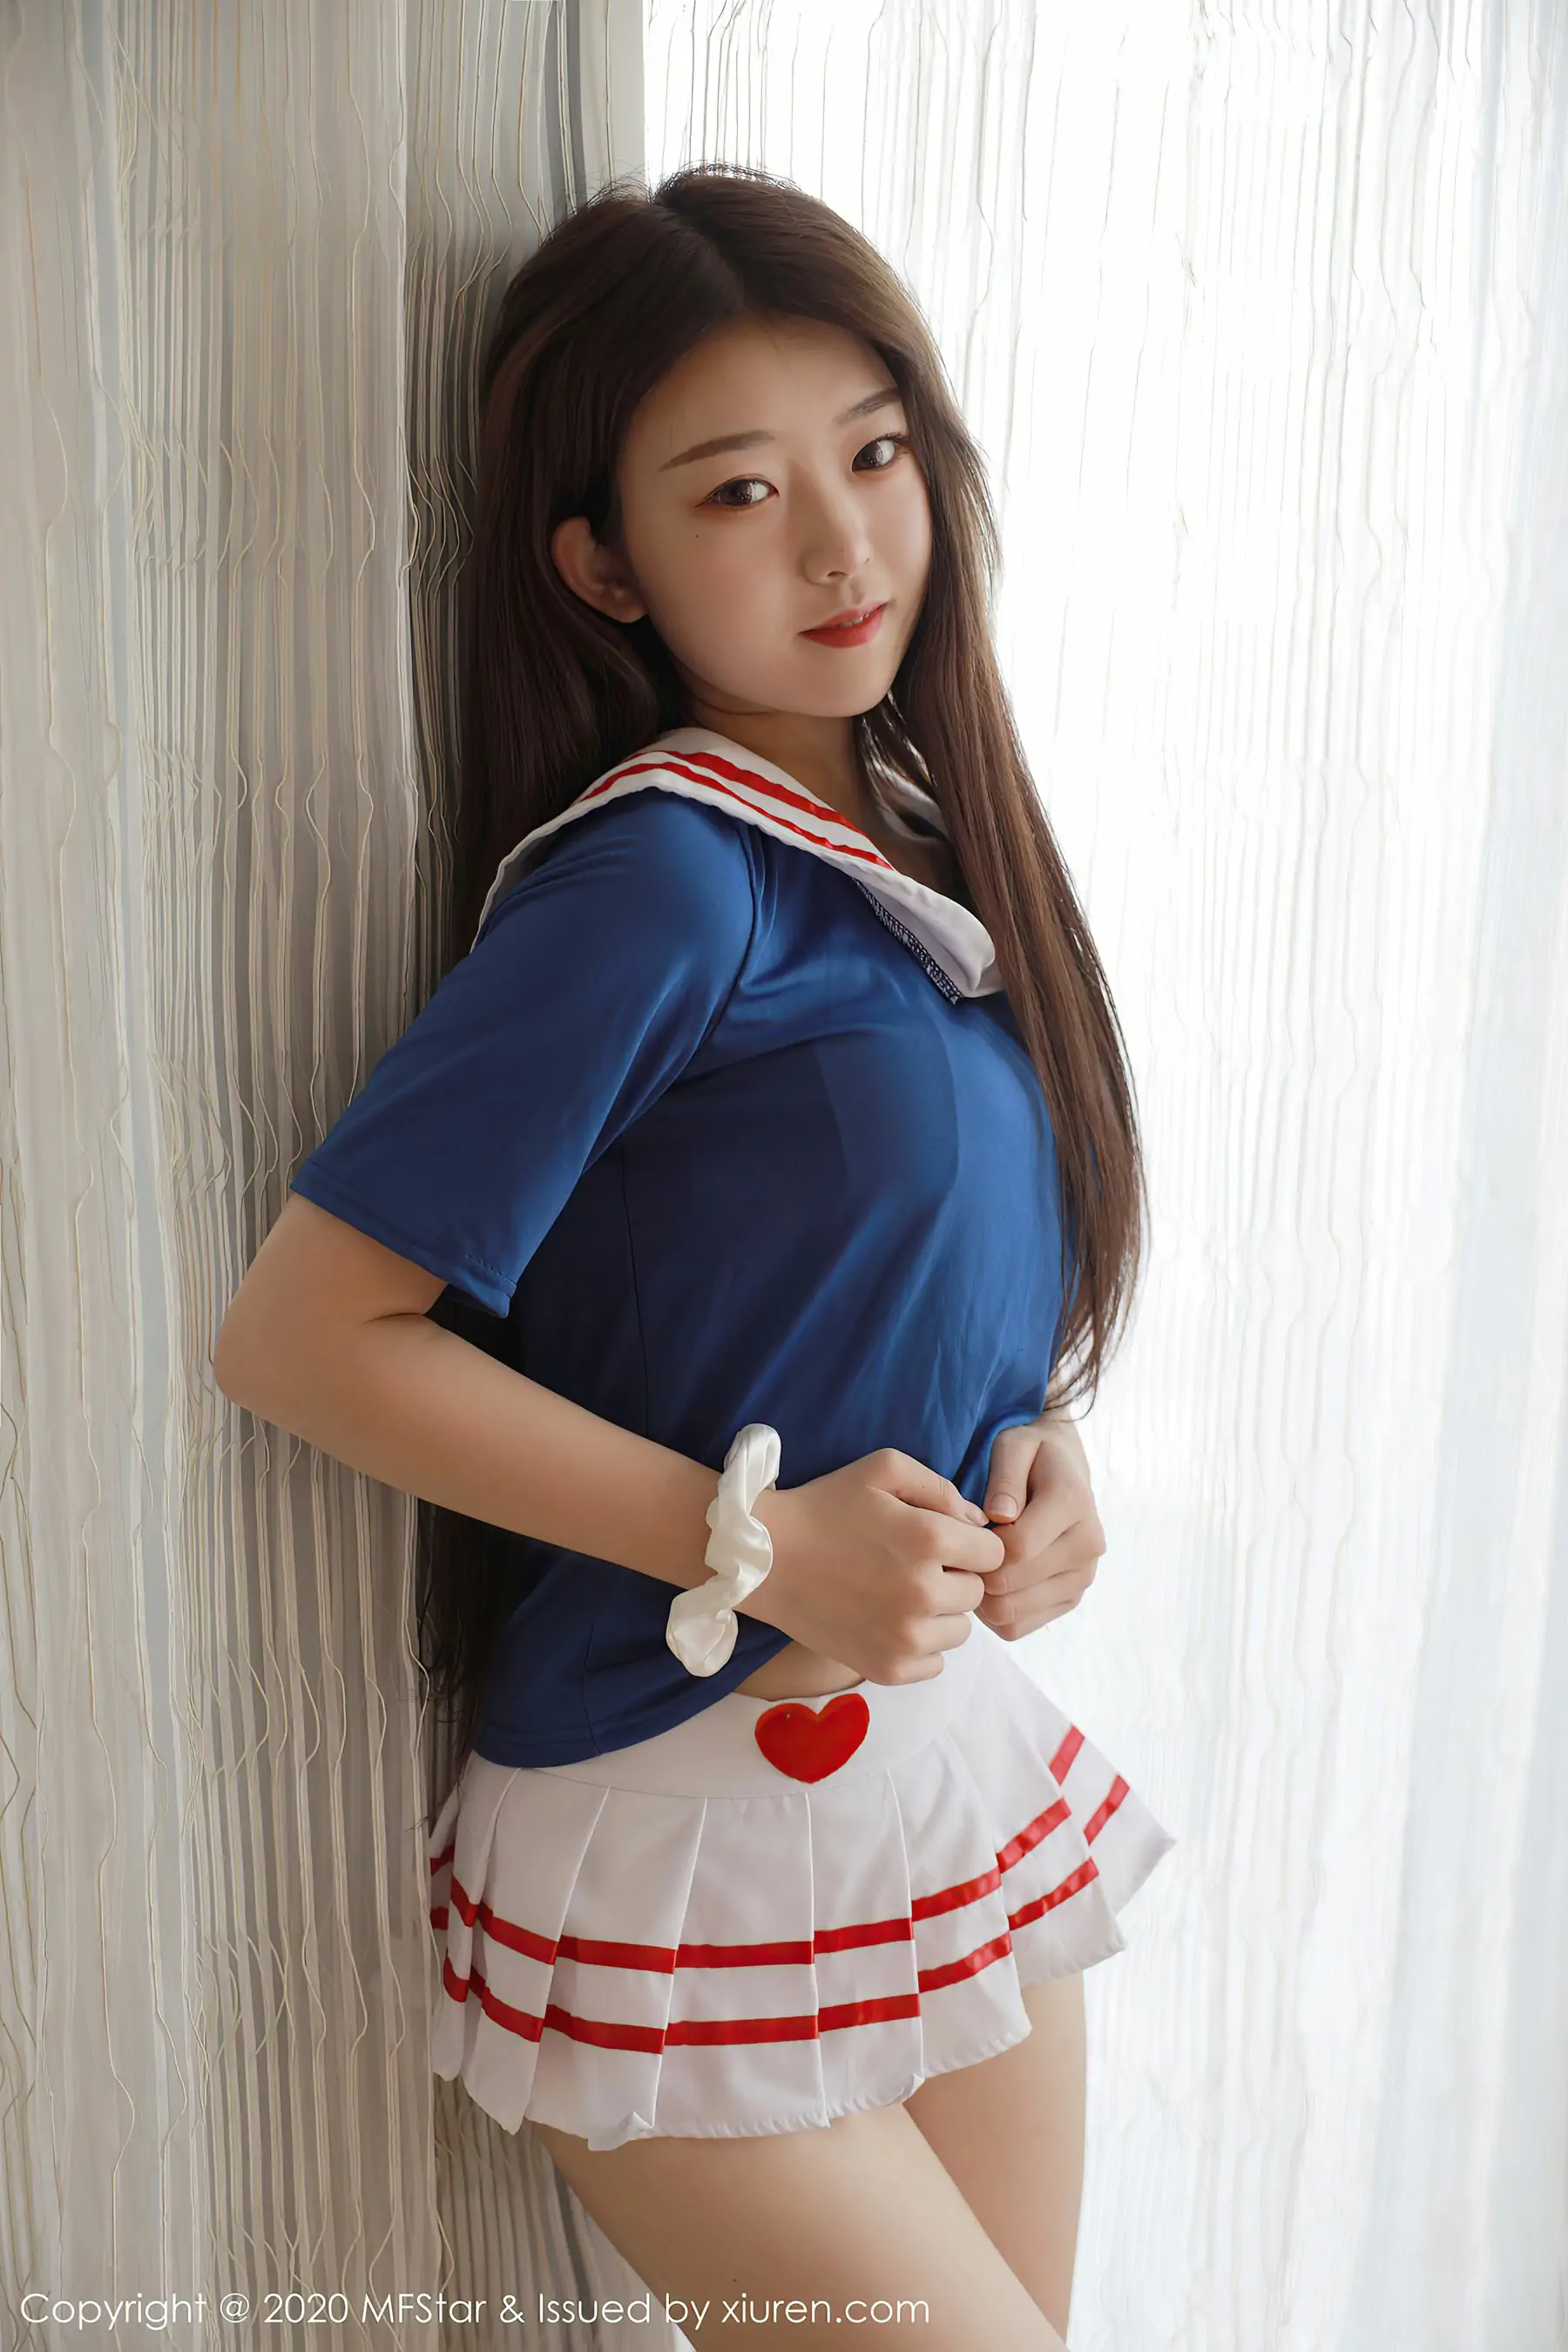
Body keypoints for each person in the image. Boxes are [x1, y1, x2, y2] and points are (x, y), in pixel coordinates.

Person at [212, 163, 1175, 2351]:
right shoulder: (661, 883)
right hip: (677, 1823)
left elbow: (861, 1274)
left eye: (875, 452)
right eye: (740, 491)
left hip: (931, 1765)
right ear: (601, 563)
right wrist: (758, 1541)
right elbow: (303, 1334)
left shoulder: (908, 857)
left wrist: (1033, 1455)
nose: (843, 544)